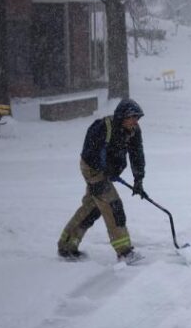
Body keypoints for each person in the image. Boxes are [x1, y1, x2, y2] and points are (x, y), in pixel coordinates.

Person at [57, 98, 147, 264]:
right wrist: (104, 168)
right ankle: (124, 252)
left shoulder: (134, 130)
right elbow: (89, 153)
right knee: (113, 206)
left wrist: (138, 180)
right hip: (92, 169)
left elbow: (137, 154)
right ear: (122, 116)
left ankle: (67, 245)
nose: (135, 121)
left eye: (137, 118)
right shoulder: (102, 127)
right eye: (132, 117)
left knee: (92, 208)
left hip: (107, 170)